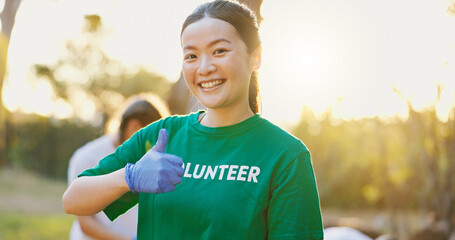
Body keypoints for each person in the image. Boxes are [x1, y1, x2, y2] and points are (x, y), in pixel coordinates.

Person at [63, 1, 324, 239]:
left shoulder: (286, 156)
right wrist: (129, 178)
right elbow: (73, 200)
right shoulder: (161, 136)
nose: (204, 67)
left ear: (255, 56)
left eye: (219, 51)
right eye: (191, 56)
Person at [67, 96, 168, 240]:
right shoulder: (87, 158)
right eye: (152, 136)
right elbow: (85, 222)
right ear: (134, 127)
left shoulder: (150, 159)